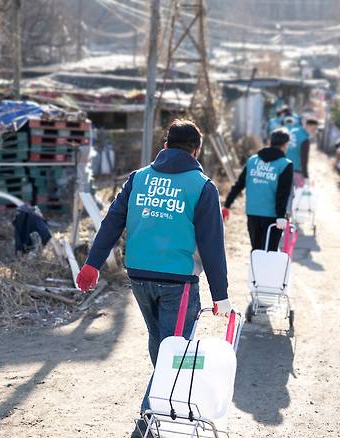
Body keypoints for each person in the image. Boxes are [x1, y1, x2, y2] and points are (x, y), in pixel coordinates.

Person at [75, 119, 232, 437]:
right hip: (177, 281)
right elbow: (212, 245)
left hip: (140, 276)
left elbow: (111, 222)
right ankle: (148, 422)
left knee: (162, 343)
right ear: (196, 150)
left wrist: (92, 263)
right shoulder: (202, 187)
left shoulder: (138, 179)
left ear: (165, 146)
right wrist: (221, 295)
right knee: (174, 353)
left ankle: (162, 400)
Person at [222, 128, 293, 251]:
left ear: (270, 142)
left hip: (253, 213)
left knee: (256, 250)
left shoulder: (253, 160)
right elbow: (283, 193)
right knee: (269, 252)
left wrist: (227, 205)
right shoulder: (285, 164)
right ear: (285, 145)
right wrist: (281, 215)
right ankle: (262, 271)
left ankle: (254, 271)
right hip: (273, 216)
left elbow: (239, 184)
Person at [285, 117, 318, 188]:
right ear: (308, 126)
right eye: (313, 128)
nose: (314, 131)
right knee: (298, 196)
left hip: (285, 168)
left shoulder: (293, 131)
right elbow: (304, 160)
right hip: (296, 172)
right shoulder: (305, 140)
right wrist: (306, 177)